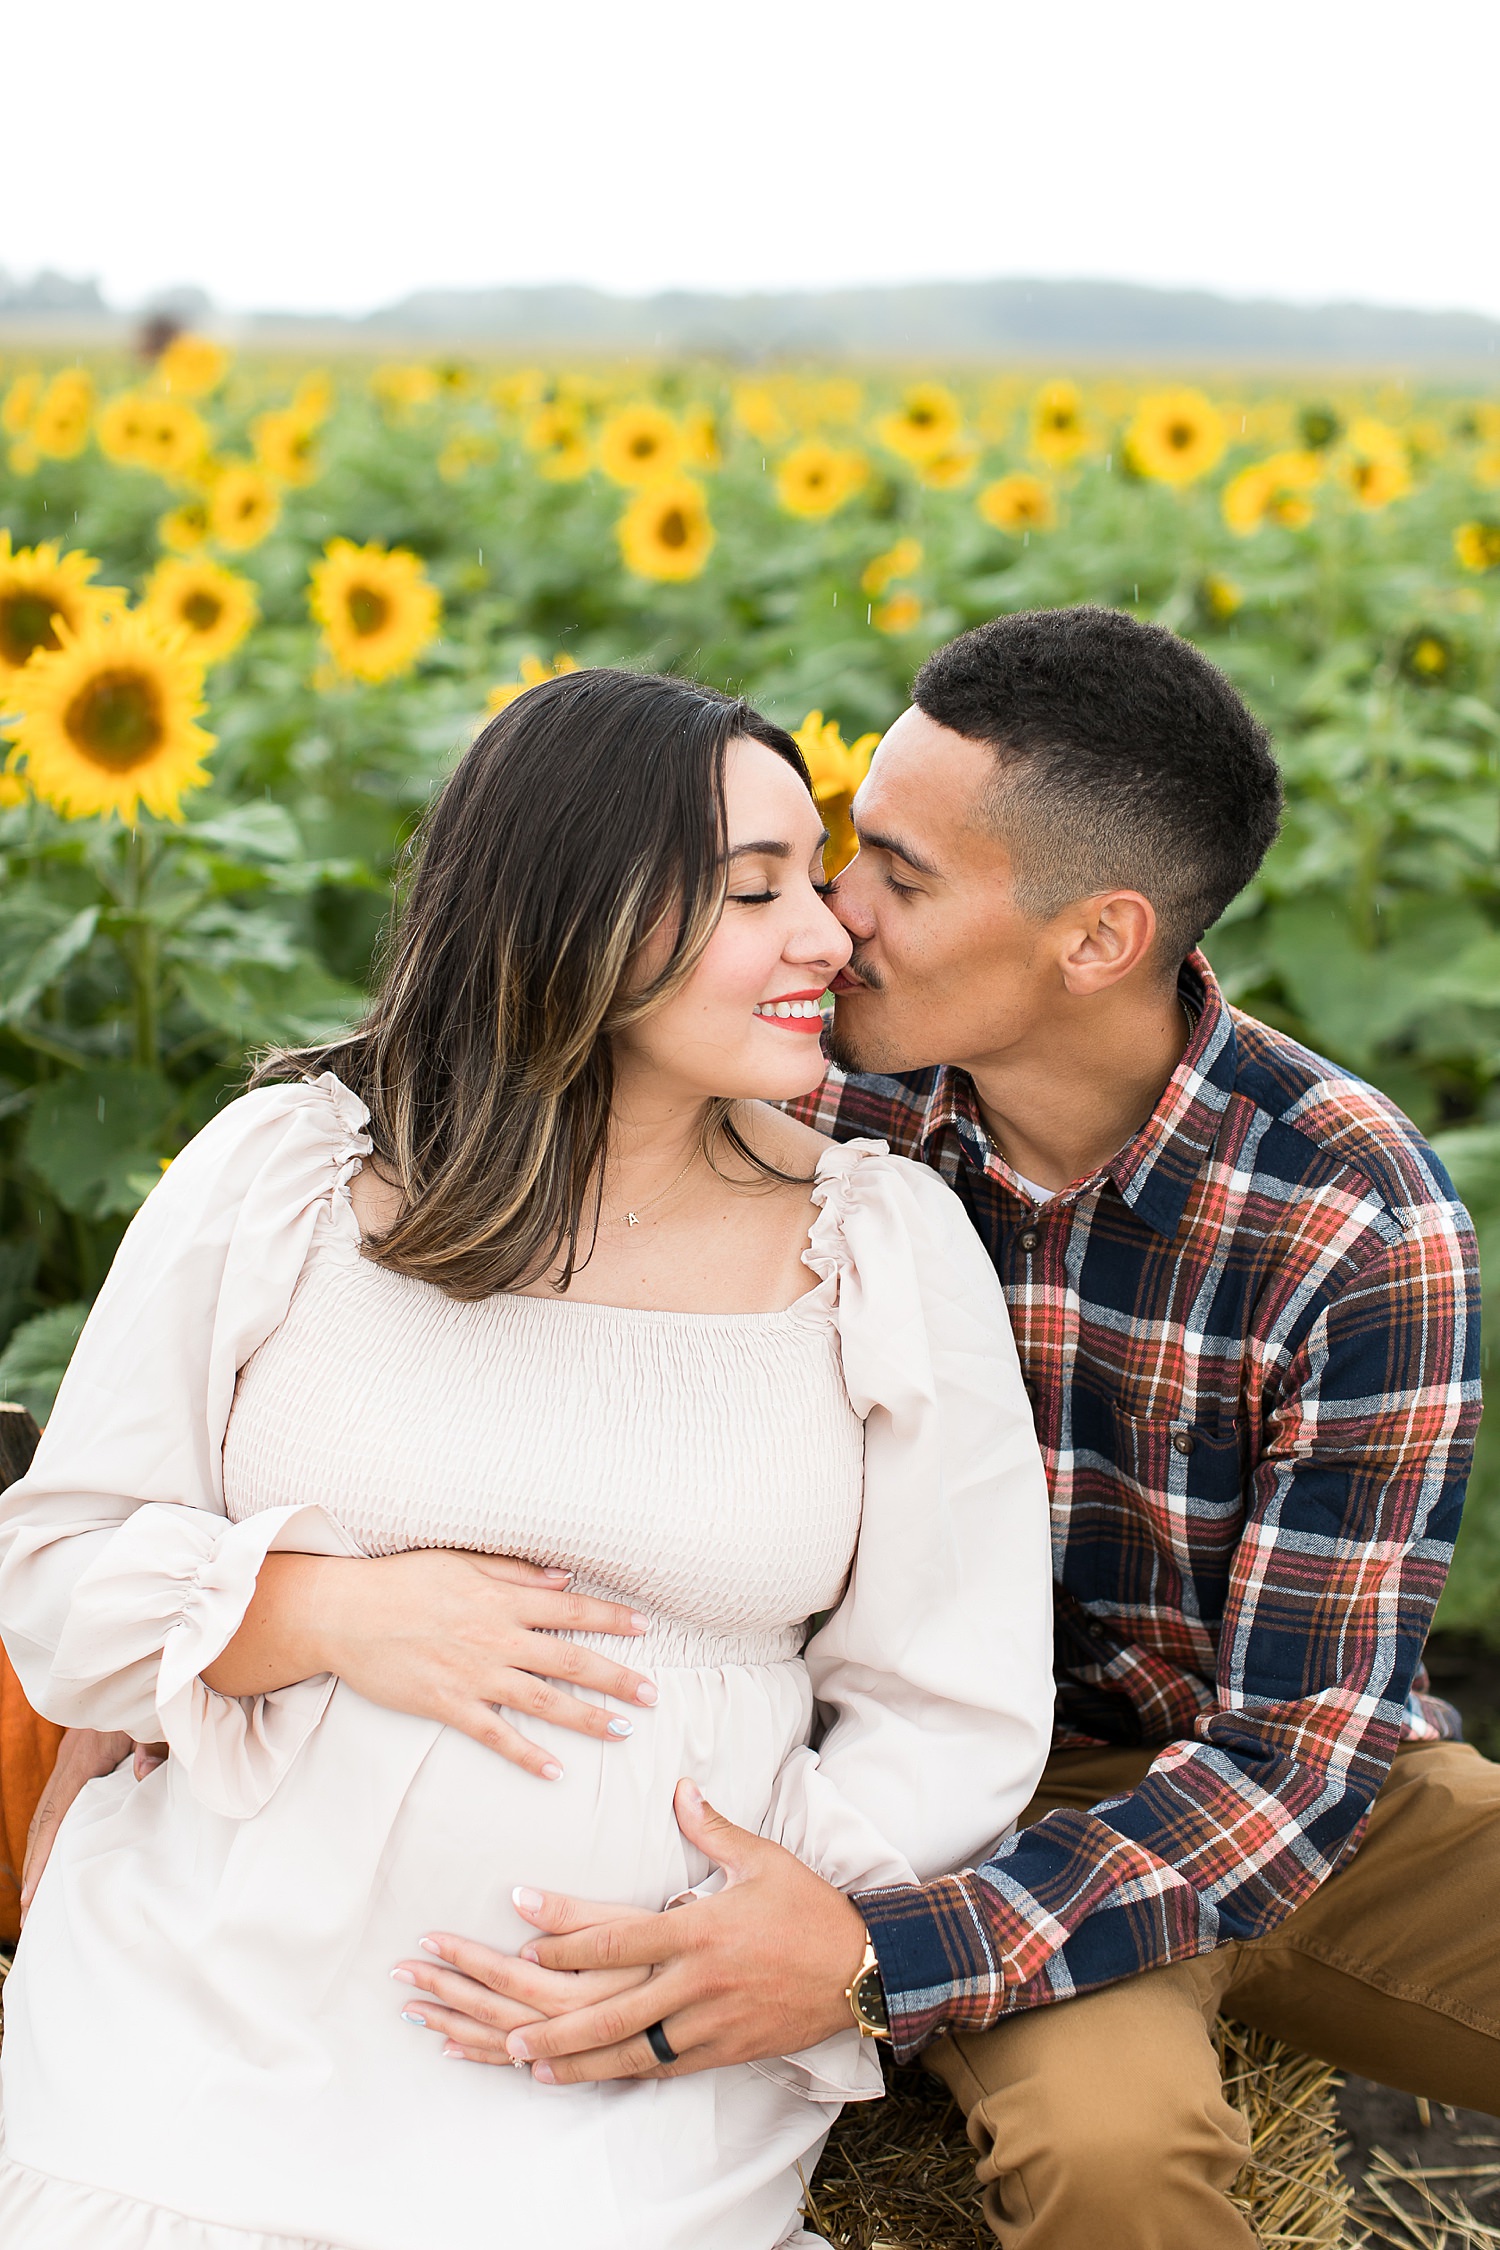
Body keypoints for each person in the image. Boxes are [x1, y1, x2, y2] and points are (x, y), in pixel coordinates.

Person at [405, 608, 1485, 2250]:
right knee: (1116, 2162)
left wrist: (861, 1958)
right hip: (925, 1767)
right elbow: (470, 1121)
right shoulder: (791, 1089)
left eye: (897, 876)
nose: (831, 919)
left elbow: (1296, 1759)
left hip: (1279, 1774)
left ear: (1098, 937)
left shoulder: (1350, 1210)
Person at [0, 669, 1056, 2250]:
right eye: (754, 889)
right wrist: (325, 1611)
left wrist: (738, 1935)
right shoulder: (288, 1174)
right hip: (221, 1994)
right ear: (576, 908)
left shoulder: (877, 1247)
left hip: (609, 2048)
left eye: (811, 880)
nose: (828, 934)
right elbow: (60, 1574)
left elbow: (952, 1703)